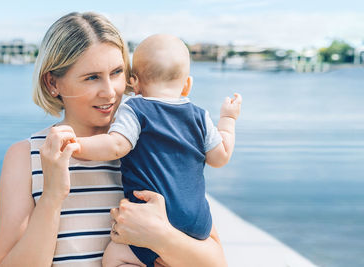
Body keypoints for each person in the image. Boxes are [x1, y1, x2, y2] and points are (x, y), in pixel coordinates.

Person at [0, 12, 228, 267]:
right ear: (52, 83)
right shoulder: (24, 157)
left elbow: (216, 262)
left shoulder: (154, 142)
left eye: (117, 73)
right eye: (92, 77)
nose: (110, 92)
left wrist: (162, 237)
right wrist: (52, 196)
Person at [73, 34, 242, 266]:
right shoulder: (200, 116)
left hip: (145, 220)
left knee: (114, 257)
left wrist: (77, 144)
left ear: (135, 83)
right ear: (187, 85)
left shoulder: (135, 108)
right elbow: (220, 156)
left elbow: (116, 145)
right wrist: (228, 120)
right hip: (196, 223)